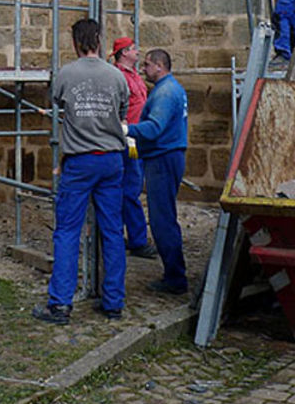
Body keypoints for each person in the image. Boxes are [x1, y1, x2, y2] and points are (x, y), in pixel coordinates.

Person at [34, 18, 130, 325]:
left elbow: (56, 104)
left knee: (67, 231)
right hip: (112, 160)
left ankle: (60, 303)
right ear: (100, 41)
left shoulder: (66, 74)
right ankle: (114, 301)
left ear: (76, 43)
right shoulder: (117, 76)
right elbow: (122, 113)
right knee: (113, 231)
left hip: (79, 161)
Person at [126, 49, 189, 295]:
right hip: (168, 156)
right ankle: (174, 274)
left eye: (147, 65)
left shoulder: (164, 93)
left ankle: (175, 278)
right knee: (165, 216)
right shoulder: (173, 88)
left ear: (160, 66)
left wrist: (126, 130)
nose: (143, 69)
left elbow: (154, 129)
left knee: (162, 220)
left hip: (162, 159)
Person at [112, 37, 158, 259]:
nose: (137, 51)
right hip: (127, 139)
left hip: (136, 138)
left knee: (130, 187)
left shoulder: (134, 76)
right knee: (130, 188)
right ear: (123, 53)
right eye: (132, 49)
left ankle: (122, 236)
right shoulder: (119, 77)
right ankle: (136, 240)